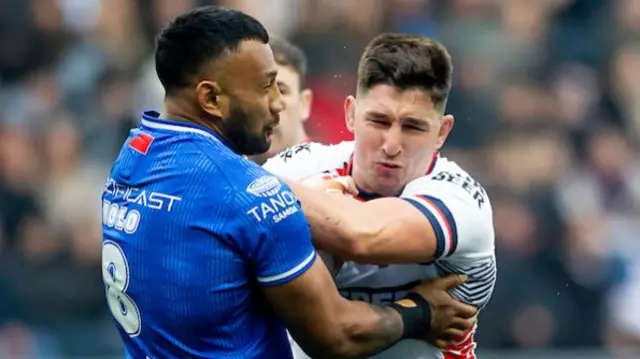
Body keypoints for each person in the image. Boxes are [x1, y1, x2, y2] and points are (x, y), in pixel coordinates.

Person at [100, 7, 477, 359]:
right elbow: (337, 334)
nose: (278, 104)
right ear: (211, 98)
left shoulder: (133, 156)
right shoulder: (251, 197)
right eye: (267, 87)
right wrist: (421, 312)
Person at [263, 33, 496, 359]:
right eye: (378, 120)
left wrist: (278, 199)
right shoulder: (302, 168)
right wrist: (418, 311)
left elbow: (361, 235)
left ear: (442, 132)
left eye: (413, 127)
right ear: (350, 114)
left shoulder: (460, 198)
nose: (391, 144)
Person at [249, 37, 313, 165]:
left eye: (282, 91)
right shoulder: (223, 176)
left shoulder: (333, 174)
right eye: (257, 91)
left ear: (305, 103)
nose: (270, 105)